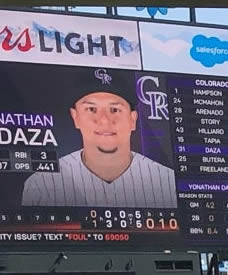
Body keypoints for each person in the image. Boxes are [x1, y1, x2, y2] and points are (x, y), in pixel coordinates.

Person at [23, 75, 177, 209]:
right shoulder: (42, 184)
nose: (104, 120)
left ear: (132, 119)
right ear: (75, 117)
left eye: (115, 110)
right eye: (91, 109)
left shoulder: (169, 181)